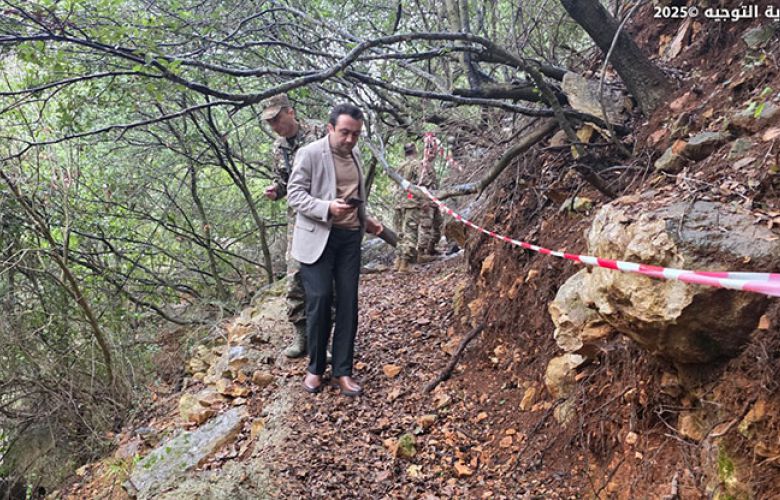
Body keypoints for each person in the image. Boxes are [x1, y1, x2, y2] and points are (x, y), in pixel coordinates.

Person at [286, 103, 383, 397]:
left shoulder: (355, 153)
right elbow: (294, 195)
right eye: (344, 132)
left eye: (356, 134)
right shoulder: (310, 153)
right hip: (317, 238)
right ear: (330, 128)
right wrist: (326, 207)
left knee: (348, 303)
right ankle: (315, 368)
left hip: (349, 238)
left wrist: (365, 219)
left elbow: (354, 194)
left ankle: (343, 371)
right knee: (319, 298)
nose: (350, 139)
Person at [261, 93, 324, 358]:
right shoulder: (278, 147)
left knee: (325, 277)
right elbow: (284, 182)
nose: (275, 126)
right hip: (298, 218)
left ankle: (324, 336)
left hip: (326, 213)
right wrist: (276, 190)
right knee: (295, 275)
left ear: (290, 112)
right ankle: (301, 333)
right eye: (270, 123)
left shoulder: (321, 133)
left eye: (277, 119)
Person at [393, 143, 422, 272]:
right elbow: (422, 182)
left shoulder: (400, 166)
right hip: (411, 201)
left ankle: (398, 261)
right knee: (410, 233)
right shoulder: (416, 164)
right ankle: (405, 264)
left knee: (400, 234)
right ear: (415, 151)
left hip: (398, 203)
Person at [417, 140, 443, 258]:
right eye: (428, 148)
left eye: (433, 149)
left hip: (434, 202)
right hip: (426, 202)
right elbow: (419, 185)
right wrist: (422, 201)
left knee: (438, 224)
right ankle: (421, 253)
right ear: (424, 151)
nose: (431, 151)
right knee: (426, 226)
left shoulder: (431, 166)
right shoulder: (421, 166)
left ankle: (431, 249)